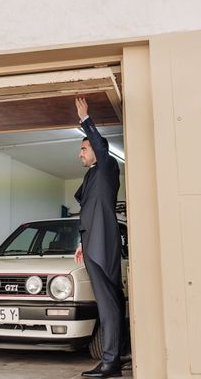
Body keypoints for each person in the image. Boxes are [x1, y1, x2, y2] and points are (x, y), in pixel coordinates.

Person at [74, 97, 126, 378]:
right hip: (93, 245)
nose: (80, 154)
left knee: (108, 306)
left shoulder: (106, 167)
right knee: (109, 304)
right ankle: (114, 358)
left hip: (102, 245)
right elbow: (88, 211)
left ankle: (110, 362)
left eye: (83, 149)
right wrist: (82, 242)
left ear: (96, 150)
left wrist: (85, 120)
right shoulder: (92, 176)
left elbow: (100, 145)